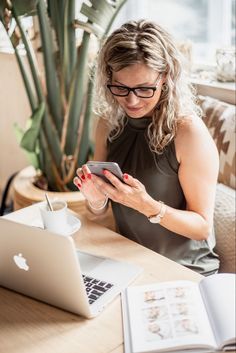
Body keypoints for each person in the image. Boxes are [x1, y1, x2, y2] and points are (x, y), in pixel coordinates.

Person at [73, 19, 219, 275]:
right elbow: (99, 214)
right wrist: (96, 201)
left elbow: (202, 227)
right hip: (128, 263)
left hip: (185, 270)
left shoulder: (188, 132)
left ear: (165, 78)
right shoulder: (108, 123)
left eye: (144, 88)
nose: (131, 100)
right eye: (120, 87)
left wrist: (147, 205)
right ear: (109, 76)